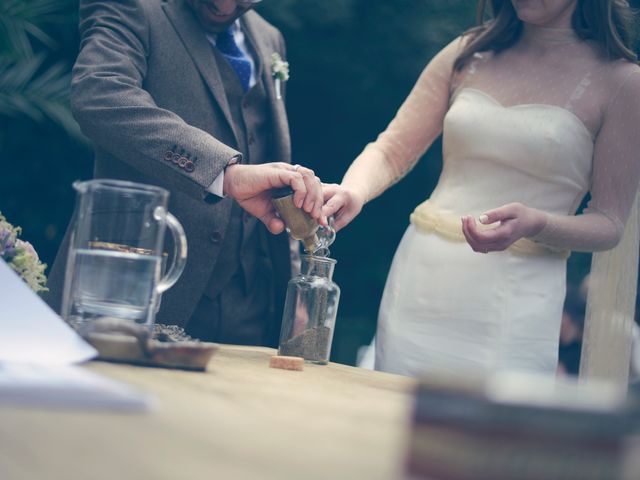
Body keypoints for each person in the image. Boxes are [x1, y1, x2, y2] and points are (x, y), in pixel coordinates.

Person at [323, 0, 640, 377]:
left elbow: (609, 222)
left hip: (519, 298)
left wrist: (536, 223)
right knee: (395, 421)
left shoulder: (621, 82)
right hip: (421, 280)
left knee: (494, 432)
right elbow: (392, 149)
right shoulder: (467, 52)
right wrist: (353, 190)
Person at [44, 0, 324, 347]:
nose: (224, 5)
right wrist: (226, 173)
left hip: (252, 313)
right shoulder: (131, 6)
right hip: (132, 300)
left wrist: (296, 292)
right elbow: (100, 95)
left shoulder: (270, 38)